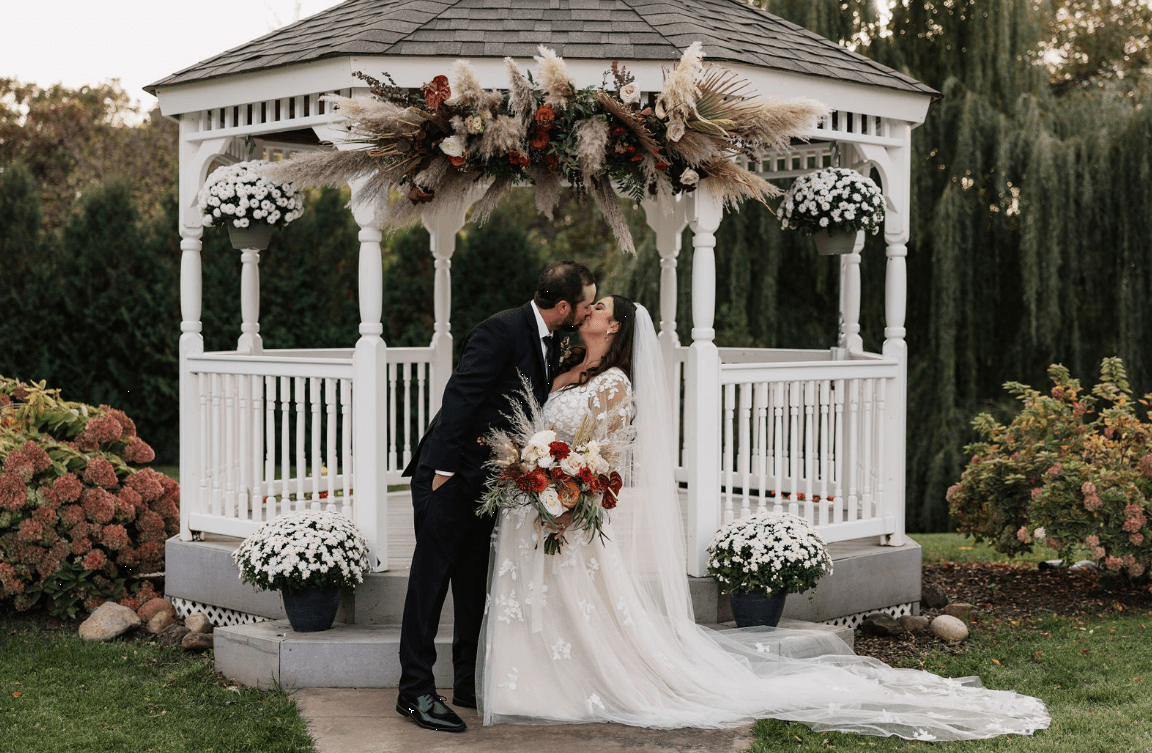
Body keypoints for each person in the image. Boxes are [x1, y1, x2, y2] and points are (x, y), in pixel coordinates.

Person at [478, 295, 1051, 741]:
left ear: (616, 328)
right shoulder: (571, 367)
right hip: (534, 500)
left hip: (567, 504)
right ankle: (529, 681)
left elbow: (597, 450)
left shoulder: (616, 383)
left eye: (599, 309)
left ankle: (559, 683)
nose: (588, 311)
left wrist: (566, 482)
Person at [396, 260, 596, 733]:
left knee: (470, 580)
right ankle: (415, 691)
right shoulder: (500, 331)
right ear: (564, 305)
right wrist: (442, 472)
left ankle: (466, 681)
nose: (588, 312)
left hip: (489, 483)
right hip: (450, 474)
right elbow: (460, 398)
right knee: (430, 581)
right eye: (585, 304)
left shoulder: (551, 341)